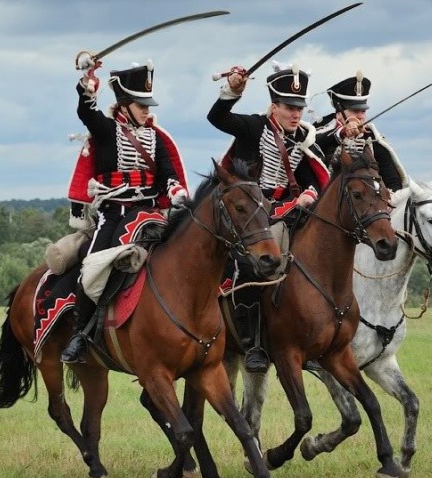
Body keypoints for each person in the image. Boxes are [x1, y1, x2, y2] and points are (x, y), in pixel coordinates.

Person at [60, 53, 189, 363]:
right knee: (92, 267)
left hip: (147, 212)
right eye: (142, 105)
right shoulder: (106, 130)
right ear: (123, 103)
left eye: (148, 105)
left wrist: (176, 190)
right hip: (113, 213)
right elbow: (85, 111)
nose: (147, 110)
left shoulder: (155, 138)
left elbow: (168, 171)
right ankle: (82, 334)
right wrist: (87, 84)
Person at [207, 61, 330, 373]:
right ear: (274, 107)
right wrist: (232, 90)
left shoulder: (302, 138)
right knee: (252, 269)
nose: (296, 114)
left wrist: (309, 194)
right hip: (249, 218)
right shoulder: (252, 127)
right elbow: (217, 117)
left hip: (287, 213)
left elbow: (313, 177)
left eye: (299, 108)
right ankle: (254, 344)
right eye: (289, 107)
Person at [315, 71, 406, 191]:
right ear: (339, 112)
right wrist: (342, 133)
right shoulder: (320, 130)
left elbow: (393, 182)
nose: (360, 116)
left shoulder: (372, 138)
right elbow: (313, 144)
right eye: (354, 111)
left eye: (362, 111)